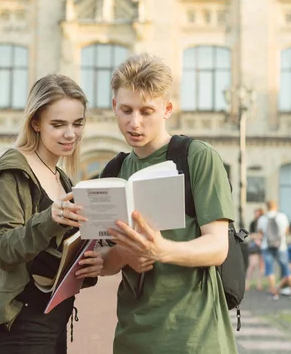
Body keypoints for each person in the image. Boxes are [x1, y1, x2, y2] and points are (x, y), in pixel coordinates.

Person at [97, 54, 237, 353]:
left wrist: (161, 250)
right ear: (114, 107)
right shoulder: (112, 172)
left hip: (194, 337)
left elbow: (217, 247)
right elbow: (106, 264)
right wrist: (122, 254)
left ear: (167, 109)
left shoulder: (197, 157)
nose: (134, 122)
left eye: (147, 111)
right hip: (132, 337)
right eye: (126, 110)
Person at [0, 74, 104, 354]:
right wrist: (49, 219)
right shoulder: (11, 173)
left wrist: (90, 263)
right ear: (36, 123)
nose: (70, 134)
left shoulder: (63, 180)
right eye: (58, 124)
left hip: (53, 321)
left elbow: (52, 256)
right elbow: (1, 249)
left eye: (78, 124)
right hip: (17, 326)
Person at [257, 200, 291, 300]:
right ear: (276, 206)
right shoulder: (282, 216)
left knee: (270, 270)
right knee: (286, 268)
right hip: (281, 246)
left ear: (267, 206)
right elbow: (286, 231)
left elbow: (261, 233)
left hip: (266, 246)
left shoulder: (262, 219)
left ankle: (274, 293)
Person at [246, 208, 265, 291]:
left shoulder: (264, 223)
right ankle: (247, 283)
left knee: (261, 266)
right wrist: (257, 238)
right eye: (255, 213)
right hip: (254, 245)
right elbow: (251, 234)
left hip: (263, 245)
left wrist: (258, 237)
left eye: (258, 213)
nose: (256, 215)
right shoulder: (253, 223)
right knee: (252, 265)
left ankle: (259, 283)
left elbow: (264, 235)